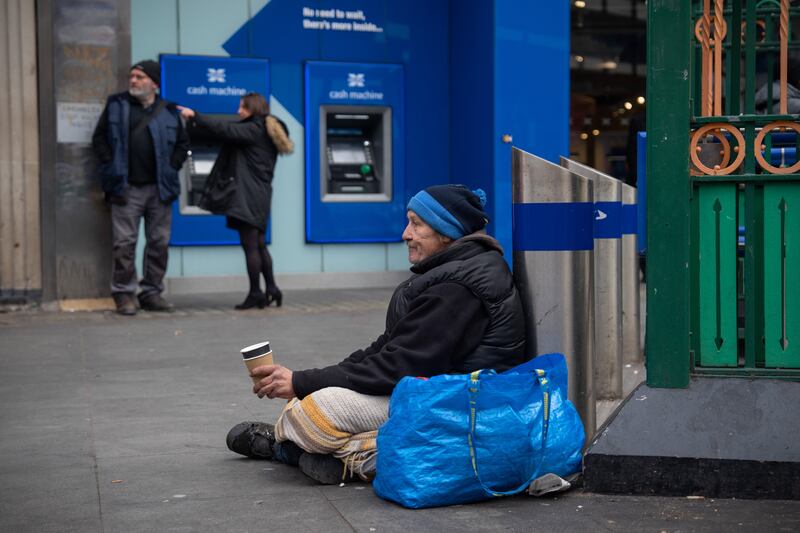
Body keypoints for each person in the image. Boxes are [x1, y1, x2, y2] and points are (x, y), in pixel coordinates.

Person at [225, 184, 527, 484]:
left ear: (446, 232)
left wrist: (302, 382)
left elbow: (402, 365)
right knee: (309, 400)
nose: (405, 234)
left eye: (416, 224)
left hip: (454, 405)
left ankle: (311, 453)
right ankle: (326, 454)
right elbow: (387, 346)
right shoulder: (454, 271)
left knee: (311, 414)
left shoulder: (458, 287)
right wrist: (306, 381)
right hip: (430, 391)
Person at [92, 60, 190, 316]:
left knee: (159, 242)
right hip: (126, 188)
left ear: (154, 83)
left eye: (140, 77)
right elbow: (99, 138)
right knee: (124, 243)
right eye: (132, 76)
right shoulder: (116, 105)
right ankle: (124, 294)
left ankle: (151, 293)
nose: (133, 81)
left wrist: (171, 167)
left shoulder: (169, 110)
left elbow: (182, 145)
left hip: (160, 190)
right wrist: (109, 166)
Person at [178, 93, 293, 310]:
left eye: (243, 107)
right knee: (259, 244)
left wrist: (196, 116)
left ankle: (255, 293)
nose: (238, 111)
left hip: (247, 195)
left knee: (250, 246)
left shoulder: (254, 129)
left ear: (254, 109)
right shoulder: (266, 130)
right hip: (259, 194)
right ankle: (272, 288)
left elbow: (226, 129)